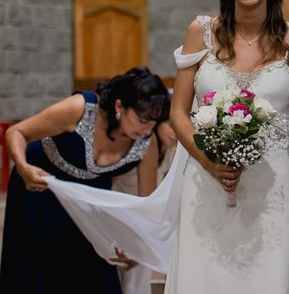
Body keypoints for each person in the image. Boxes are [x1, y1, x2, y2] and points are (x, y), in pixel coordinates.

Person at [166, 0, 289, 293]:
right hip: (207, 184)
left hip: (275, 188)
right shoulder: (200, 32)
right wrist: (208, 162)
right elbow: (177, 112)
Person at [0, 66, 170, 294]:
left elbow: (144, 206)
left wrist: (132, 246)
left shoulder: (145, 143)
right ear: (120, 106)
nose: (147, 130)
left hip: (88, 204)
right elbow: (17, 132)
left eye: (153, 123)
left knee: (93, 272)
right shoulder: (81, 109)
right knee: (36, 272)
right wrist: (22, 167)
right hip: (39, 189)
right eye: (141, 120)